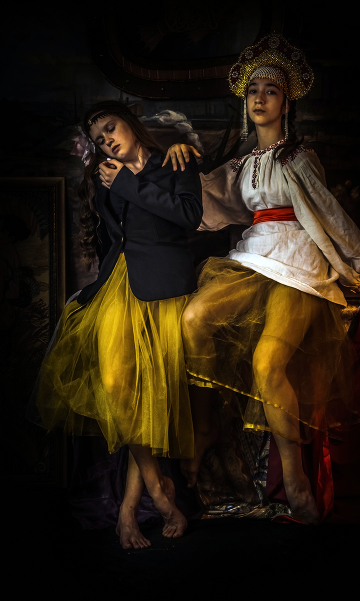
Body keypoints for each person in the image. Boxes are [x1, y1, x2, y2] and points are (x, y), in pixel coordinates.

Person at [163, 34, 360, 524]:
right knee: (194, 318)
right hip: (254, 258)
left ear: (286, 103)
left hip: (297, 263)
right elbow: (204, 201)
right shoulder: (245, 163)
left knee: (269, 363)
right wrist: (175, 159)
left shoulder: (297, 157)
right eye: (253, 91)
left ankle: (295, 478)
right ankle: (204, 428)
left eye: (271, 91)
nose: (260, 98)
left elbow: (330, 217)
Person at [35, 100, 203, 547]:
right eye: (98, 138)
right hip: (118, 286)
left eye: (110, 128)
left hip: (164, 289)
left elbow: (188, 216)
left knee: (148, 396)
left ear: (130, 123)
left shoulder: (174, 162)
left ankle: (128, 510)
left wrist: (128, 183)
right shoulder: (103, 178)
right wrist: (114, 183)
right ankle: (157, 490)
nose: (106, 140)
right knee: (117, 386)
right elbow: (115, 237)